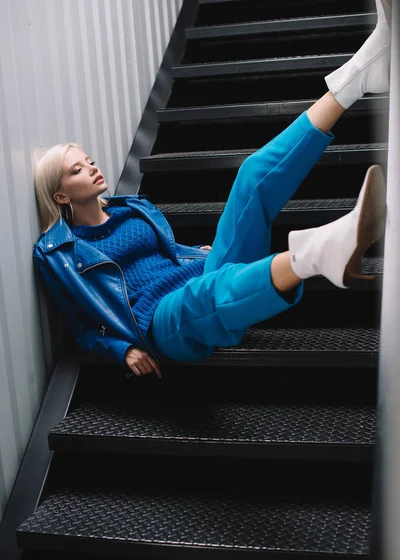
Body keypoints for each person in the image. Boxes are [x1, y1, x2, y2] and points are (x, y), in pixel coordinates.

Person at [32, 0, 391, 380]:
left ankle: (359, 78)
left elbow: (163, 257)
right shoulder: (58, 251)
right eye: (77, 170)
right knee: (208, 294)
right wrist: (122, 349)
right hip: (160, 320)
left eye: (88, 160)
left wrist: (193, 253)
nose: (92, 168)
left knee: (251, 176)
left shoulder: (131, 209)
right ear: (60, 195)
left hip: (197, 275)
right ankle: (317, 253)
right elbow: (78, 322)